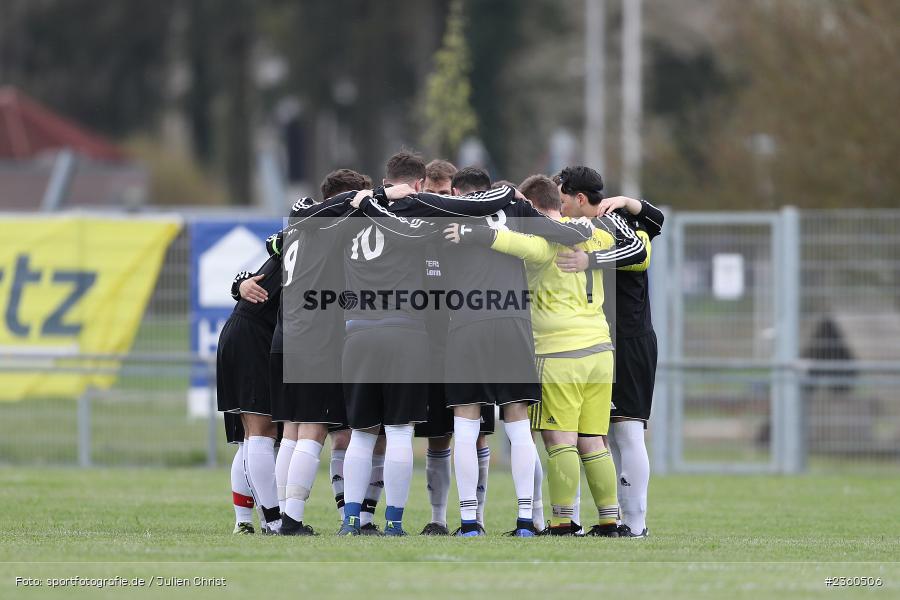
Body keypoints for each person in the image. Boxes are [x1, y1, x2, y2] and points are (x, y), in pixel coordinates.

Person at [444, 172, 647, 536]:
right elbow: (639, 247)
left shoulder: (543, 242)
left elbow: (510, 242)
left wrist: (471, 232)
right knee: (593, 439)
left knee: (559, 439)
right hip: (601, 350)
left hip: (559, 351)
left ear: (534, 208)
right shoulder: (596, 233)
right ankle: (610, 519)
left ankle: (562, 520)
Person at [556, 170, 664, 538]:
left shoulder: (610, 222)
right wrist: (636, 203)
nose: (561, 206)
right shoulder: (585, 226)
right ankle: (612, 519)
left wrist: (592, 261)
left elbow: (641, 251)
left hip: (629, 340)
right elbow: (655, 220)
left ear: (580, 198)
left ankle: (635, 524)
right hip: (600, 342)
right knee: (599, 436)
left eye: (564, 199)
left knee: (627, 432)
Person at [416, 159, 494, 536]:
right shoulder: (412, 232)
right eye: (431, 194)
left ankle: (475, 516)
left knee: (476, 431)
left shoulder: (469, 231)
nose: (438, 202)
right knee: (437, 434)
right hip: (427, 345)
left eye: (445, 195)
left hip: (469, 338)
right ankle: (437, 517)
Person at [217, 252, 284, 534]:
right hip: (252, 336)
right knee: (261, 432)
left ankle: (244, 521)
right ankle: (273, 521)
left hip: (241, 332)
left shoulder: (297, 240)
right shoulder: (312, 239)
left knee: (251, 439)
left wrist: (240, 283)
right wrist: (239, 283)